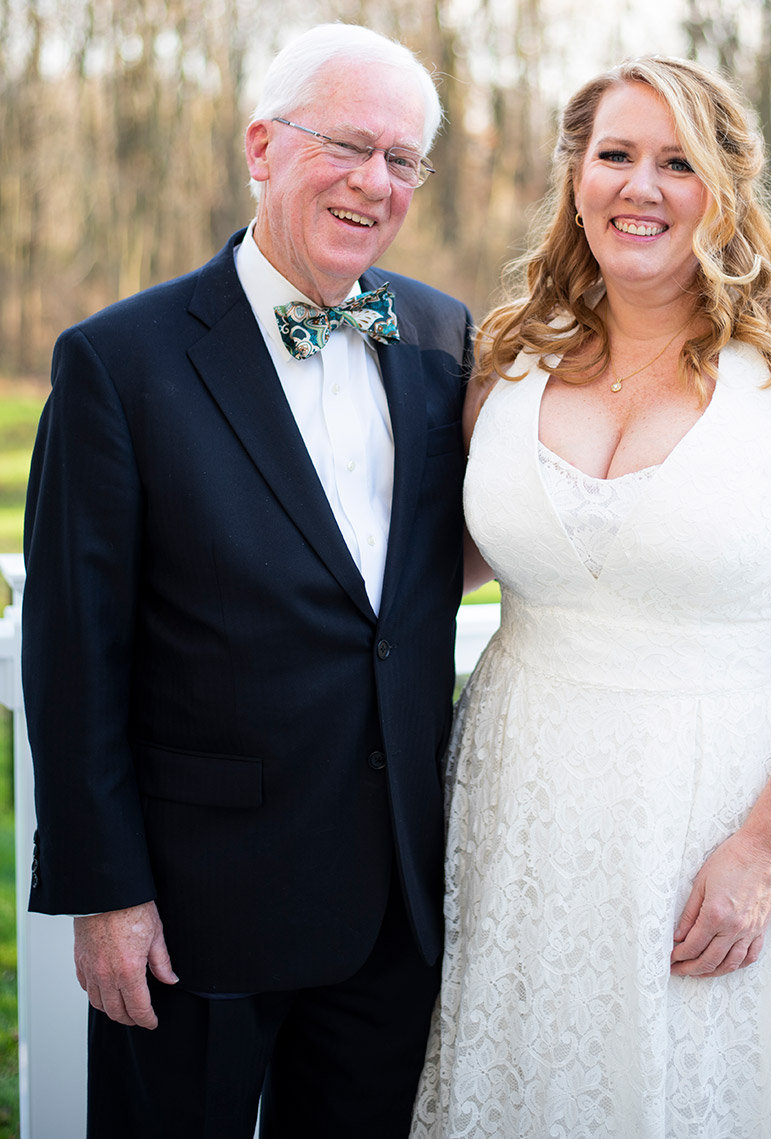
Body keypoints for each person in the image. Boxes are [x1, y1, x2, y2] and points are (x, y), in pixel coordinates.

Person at [411, 55, 771, 1138]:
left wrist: (760, 849)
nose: (638, 187)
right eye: (613, 155)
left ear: (725, 186)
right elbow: (436, 560)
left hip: (727, 807)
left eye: (676, 163)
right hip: (524, 809)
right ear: (574, 178)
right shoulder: (507, 353)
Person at [22, 23, 470, 1139]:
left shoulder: (440, 338)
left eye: (403, 159)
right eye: (347, 145)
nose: (375, 181)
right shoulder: (117, 362)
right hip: (192, 912)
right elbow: (73, 650)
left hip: (394, 907)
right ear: (262, 147)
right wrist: (105, 891)